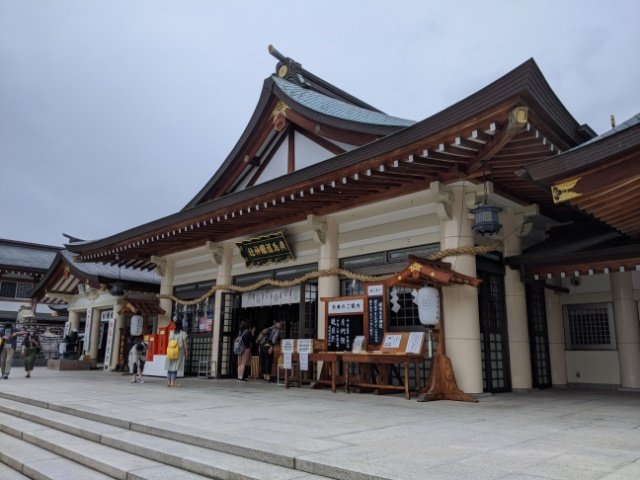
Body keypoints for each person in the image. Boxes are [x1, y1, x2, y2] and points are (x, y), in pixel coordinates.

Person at [164, 321, 188, 387]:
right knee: (175, 367)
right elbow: (185, 344)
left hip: (170, 351)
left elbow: (169, 342)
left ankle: (168, 382)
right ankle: (173, 383)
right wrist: (186, 352)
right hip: (178, 352)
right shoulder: (183, 333)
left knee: (170, 367)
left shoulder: (171, 333)